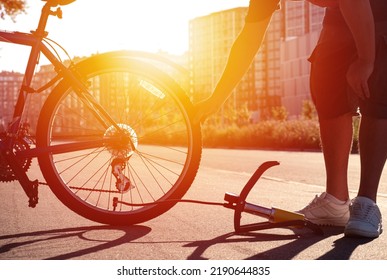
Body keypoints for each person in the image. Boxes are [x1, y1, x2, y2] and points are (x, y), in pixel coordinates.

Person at [194, 0, 386, 238]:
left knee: (376, 82)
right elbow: (249, 38)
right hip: (340, 11)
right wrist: (216, 99)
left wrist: (366, 60)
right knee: (326, 74)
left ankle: (367, 202)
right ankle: (336, 201)